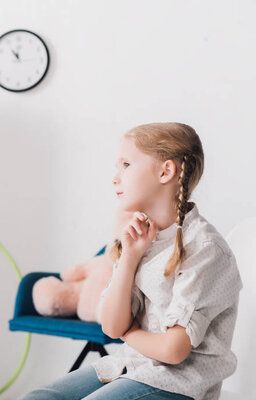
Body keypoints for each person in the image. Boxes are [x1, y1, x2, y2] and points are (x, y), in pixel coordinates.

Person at [20, 122, 242, 400]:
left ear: (166, 171)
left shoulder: (205, 249)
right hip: (129, 366)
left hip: (180, 385)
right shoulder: (142, 237)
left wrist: (128, 332)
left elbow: (173, 351)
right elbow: (111, 326)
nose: (115, 177)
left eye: (126, 164)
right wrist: (130, 256)